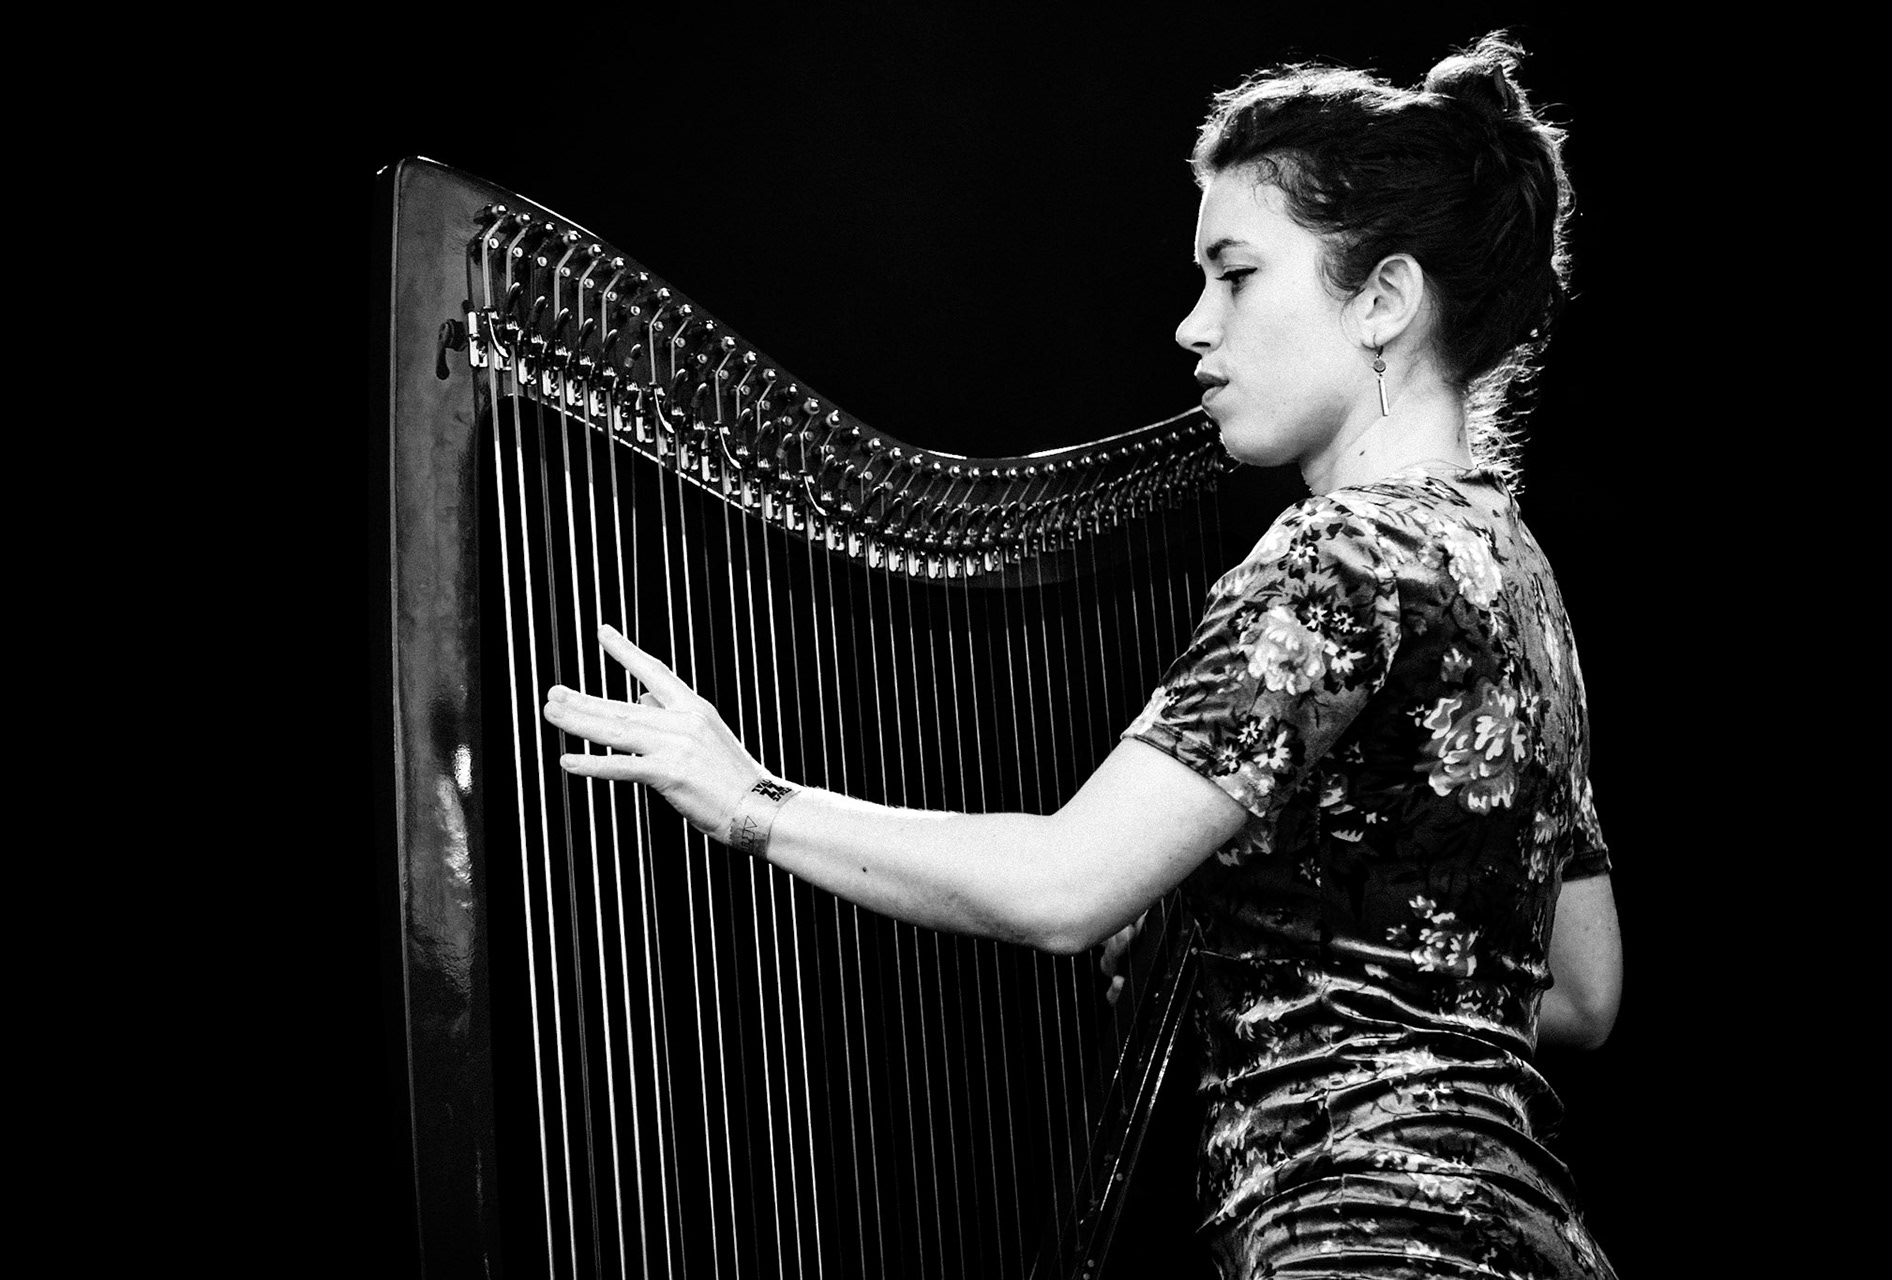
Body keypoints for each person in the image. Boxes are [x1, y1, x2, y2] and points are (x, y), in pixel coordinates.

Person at [542, 31, 1620, 1279]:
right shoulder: (1514, 574)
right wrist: (1254, 932)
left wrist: (751, 799)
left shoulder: (1343, 554)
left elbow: (1065, 886)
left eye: (1236, 275)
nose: (1193, 325)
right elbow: (1582, 986)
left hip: (1360, 1241)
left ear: (1382, 299)